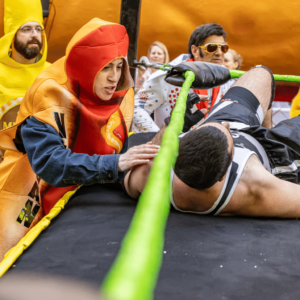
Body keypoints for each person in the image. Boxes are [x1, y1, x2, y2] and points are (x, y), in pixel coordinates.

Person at [0, 18, 159, 260]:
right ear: (86, 65)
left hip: (82, 204)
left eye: (119, 67)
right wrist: (113, 165)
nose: (114, 78)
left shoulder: (121, 95)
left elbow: (120, 152)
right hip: (28, 198)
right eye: (105, 67)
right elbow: (50, 164)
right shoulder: (49, 94)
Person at [125, 64, 300, 219]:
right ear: (223, 174)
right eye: (226, 131)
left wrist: (171, 126)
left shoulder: (150, 174)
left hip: (232, 124)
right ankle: (269, 134)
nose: (225, 125)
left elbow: (146, 154)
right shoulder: (256, 188)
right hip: (273, 153)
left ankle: (257, 127)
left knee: (261, 73)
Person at [132, 23, 235, 133]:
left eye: (223, 48)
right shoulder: (168, 76)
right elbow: (137, 109)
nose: (219, 53)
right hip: (173, 148)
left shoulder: (227, 79)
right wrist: (159, 139)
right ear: (195, 51)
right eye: (212, 47)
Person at [0, 0, 51, 162]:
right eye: (26, 29)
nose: (34, 35)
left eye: (38, 29)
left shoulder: (54, 73)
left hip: (45, 165)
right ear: (12, 34)